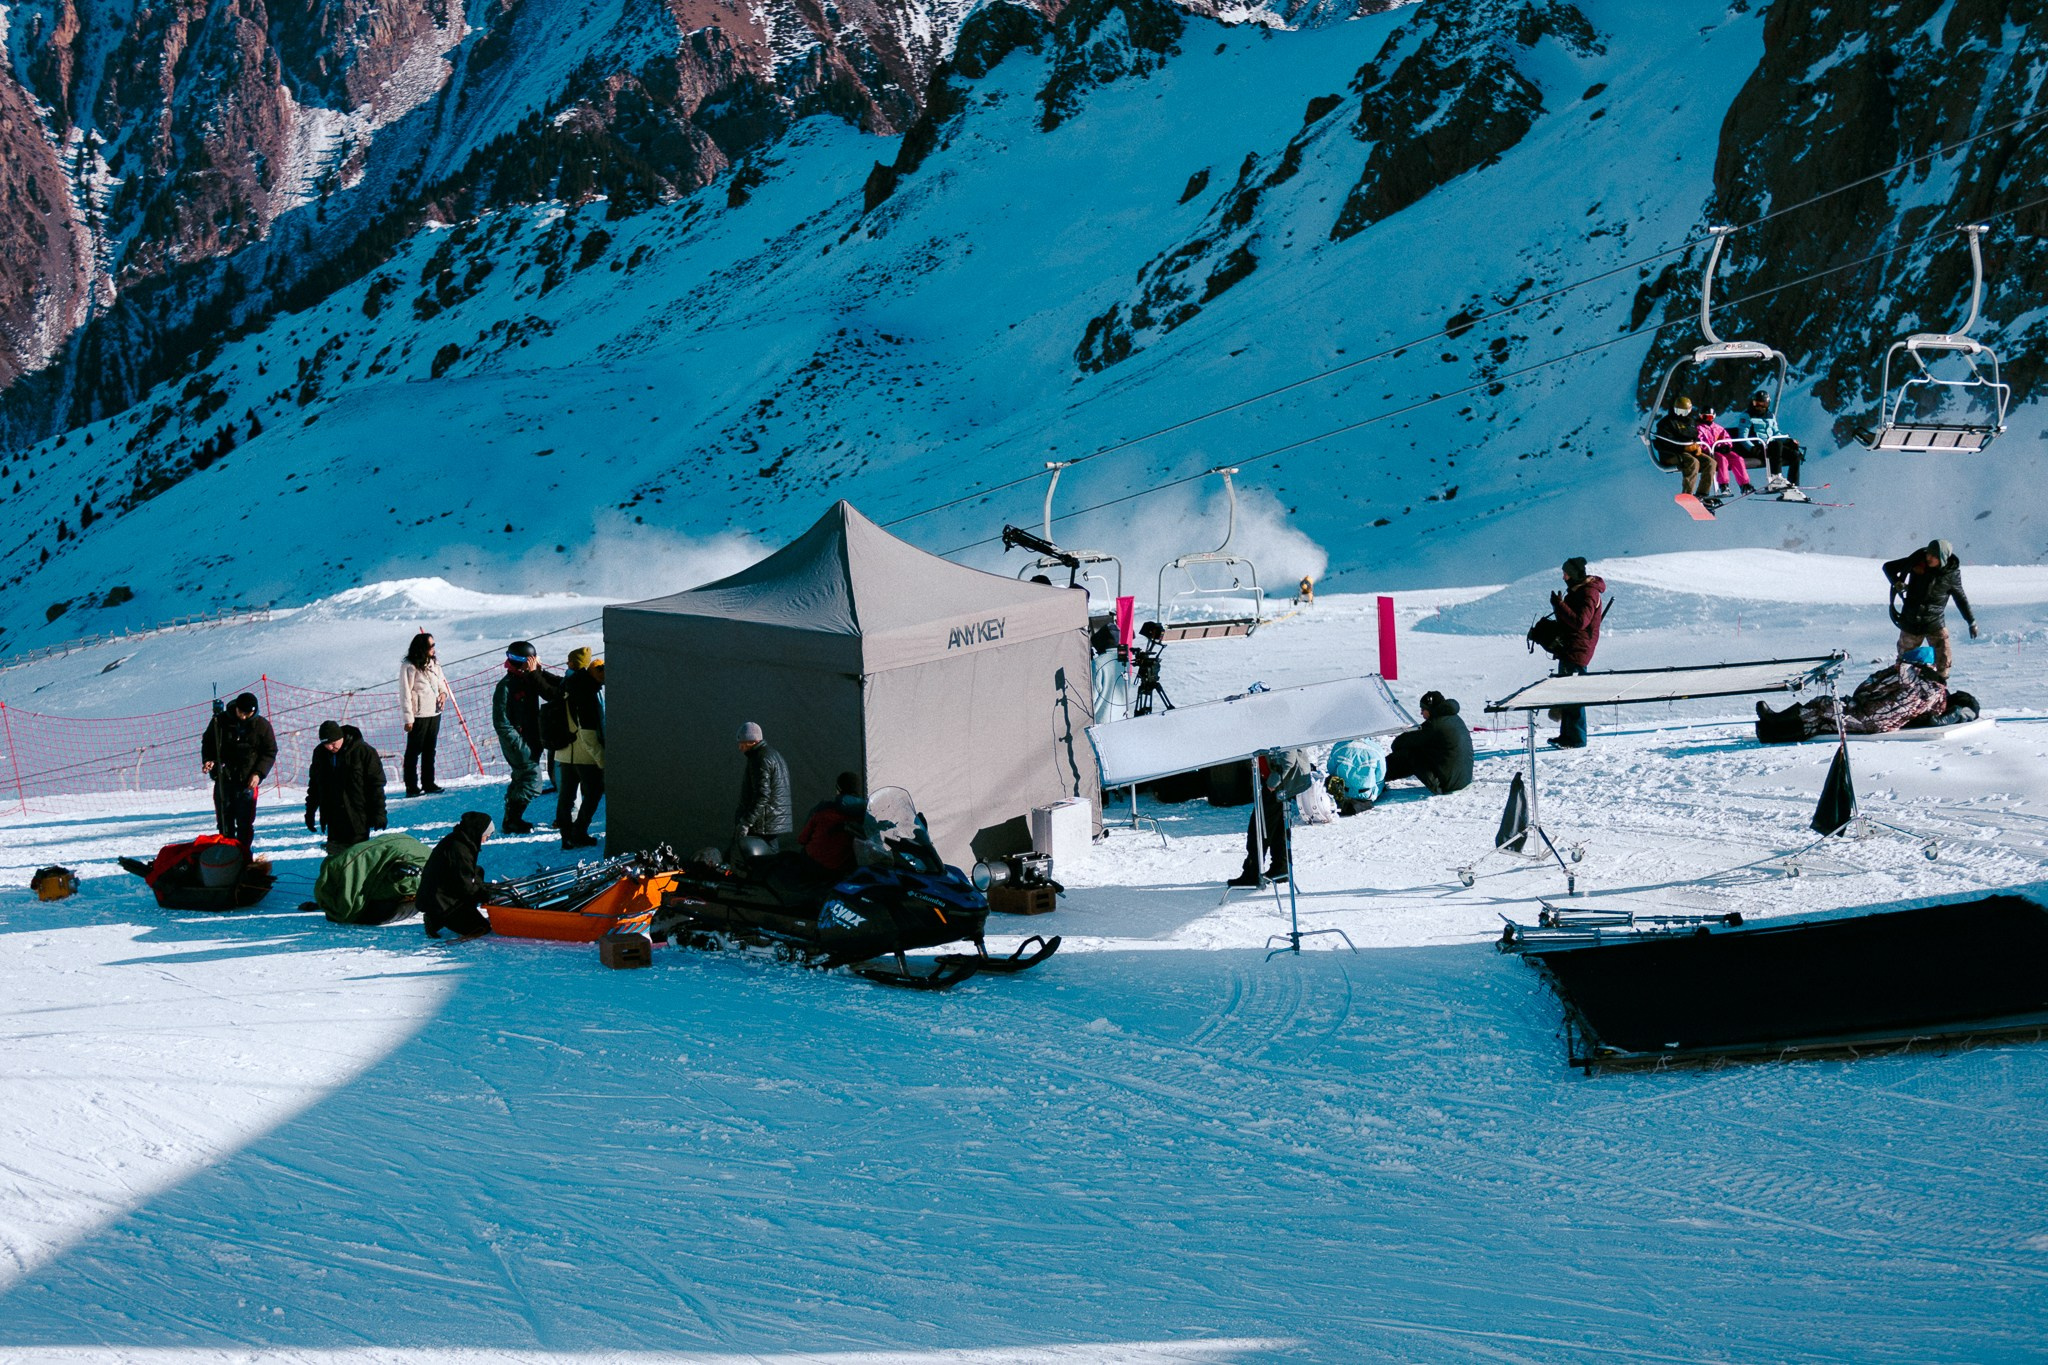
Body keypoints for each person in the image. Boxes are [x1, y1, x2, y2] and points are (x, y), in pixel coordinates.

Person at [1755, 647, 1950, 742]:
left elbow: (1866, 689)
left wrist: (1890, 671)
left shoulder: (1907, 678)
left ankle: (1774, 721)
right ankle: (1770, 731)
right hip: (1883, 722)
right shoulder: (1937, 688)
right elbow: (1936, 711)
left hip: (1868, 718)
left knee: (1822, 704)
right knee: (1823, 721)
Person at [492, 641, 562, 834]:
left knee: (522, 777)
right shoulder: (506, 686)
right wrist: (518, 744)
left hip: (532, 740)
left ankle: (511, 819)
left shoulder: (528, 679)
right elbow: (501, 722)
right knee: (533, 781)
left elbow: (552, 691)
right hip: (518, 743)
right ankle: (512, 819)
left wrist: (538, 671)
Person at [1883, 539, 1978, 680]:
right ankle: (1903, 692)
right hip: (1911, 621)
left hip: (1934, 622)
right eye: (1928, 554)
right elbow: (1888, 567)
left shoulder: (1951, 575)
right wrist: (1897, 582)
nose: (1929, 558)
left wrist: (1971, 621)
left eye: (1934, 556)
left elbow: (1961, 600)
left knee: (1943, 661)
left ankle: (1940, 691)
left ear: (1943, 557)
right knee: (1904, 664)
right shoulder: (1917, 561)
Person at [1539, 557, 1604, 748]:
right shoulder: (1579, 591)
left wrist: (1559, 605)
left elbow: (1580, 622)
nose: (1564, 577)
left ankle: (1576, 738)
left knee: (1575, 694)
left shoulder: (1589, 593)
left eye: (1566, 573)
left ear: (1574, 574)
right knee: (1567, 692)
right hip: (1571, 648)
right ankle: (1568, 736)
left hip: (1579, 650)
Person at [200, 692, 277, 847]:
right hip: (224, 778)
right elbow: (208, 743)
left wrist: (258, 773)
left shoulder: (262, 726)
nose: (244, 717)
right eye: (241, 712)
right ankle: (227, 856)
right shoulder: (220, 722)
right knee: (224, 822)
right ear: (236, 708)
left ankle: (243, 856)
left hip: (248, 781)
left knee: (245, 824)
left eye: (248, 714)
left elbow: (270, 751)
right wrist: (209, 760)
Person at [1228, 748, 1312, 888]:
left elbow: (1288, 759)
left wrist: (1272, 782)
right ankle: (1281, 868)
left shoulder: (1278, 727)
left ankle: (1252, 872)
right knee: (1278, 826)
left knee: (1259, 827)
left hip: (1278, 784)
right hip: (1279, 783)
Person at [304, 720, 389, 854]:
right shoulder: (320, 753)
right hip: (333, 816)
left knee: (356, 857)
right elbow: (315, 785)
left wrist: (379, 813)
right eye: (326, 744)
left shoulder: (364, 751)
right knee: (335, 857)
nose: (330, 747)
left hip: (357, 815)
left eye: (333, 743)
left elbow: (376, 785)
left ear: (341, 737)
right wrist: (310, 812)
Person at [553, 649, 606, 850]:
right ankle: (579, 831)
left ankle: (566, 837)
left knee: (566, 797)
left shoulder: (567, 684)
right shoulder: (587, 692)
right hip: (585, 755)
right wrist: (601, 759)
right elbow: (588, 733)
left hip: (564, 750)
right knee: (594, 791)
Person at [419, 812, 495, 939]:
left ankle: (441, 915)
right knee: (481, 928)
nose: (487, 838)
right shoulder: (459, 849)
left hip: (441, 894)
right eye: (487, 835)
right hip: (440, 900)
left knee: (478, 872)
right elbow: (464, 885)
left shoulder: (460, 840)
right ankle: (436, 917)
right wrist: (485, 895)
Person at [1384, 691, 1474, 794]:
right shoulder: (1455, 718)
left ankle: (1378, 774)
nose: (1421, 713)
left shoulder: (1434, 725)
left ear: (1430, 709)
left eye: (1423, 709)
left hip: (1447, 785)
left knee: (1410, 753)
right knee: (1419, 749)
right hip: (1463, 780)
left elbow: (1398, 743)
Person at [398, 632, 451, 797]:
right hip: (418, 715)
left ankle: (428, 783)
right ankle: (411, 787)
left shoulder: (435, 664)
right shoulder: (409, 666)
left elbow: (442, 684)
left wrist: (443, 695)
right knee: (413, 751)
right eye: (431, 645)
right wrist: (408, 717)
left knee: (430, 750)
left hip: (434, 712)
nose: (434, 648)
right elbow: (405, 692)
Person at [1727, 391, 1804, 495]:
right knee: (1777, 444)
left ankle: (1792, 487)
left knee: (1795, 455)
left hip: (1773, 447)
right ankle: (1776, 479)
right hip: (1759, 447)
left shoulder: (1770, 416)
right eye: (1757, 404)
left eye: (1763, 404)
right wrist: (1753, 449)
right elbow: (1743, 437)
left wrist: (1789, 441)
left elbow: (1776, 432)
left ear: (1767, 404)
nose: (1760, 407)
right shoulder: (1747, 416)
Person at [733, 722, 793, 852]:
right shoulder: (773, 755)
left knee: (759, 861)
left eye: (741, 743)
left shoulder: (760, 759)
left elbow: (762, 795)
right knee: (771, 857)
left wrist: (746, 822)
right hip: (771, 820)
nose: (740, 747)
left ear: (751, 741)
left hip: (763, 823)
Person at [799, 772, 867, 874]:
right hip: (841, 869)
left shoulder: (822, 809)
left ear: (838, 789)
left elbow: (802, 839)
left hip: (812, 864)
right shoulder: (866, 814)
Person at [1651, 396, 1714, 501]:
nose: (1680, 414)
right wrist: (1685, 447)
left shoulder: (1691, 422)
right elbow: (1666, 441)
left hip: (1688, 452)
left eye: (1683, 412)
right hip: (1672, 453)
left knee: (1711, 462)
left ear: (1689, 411)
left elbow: (1695, 436)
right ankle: (1687, 493)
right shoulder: (1666, 423)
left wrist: (1697, 446)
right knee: (1693, 462)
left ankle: (1703, 493)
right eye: (1678, 411)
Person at [1695, 404, 1752, 501]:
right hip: (1710, 452)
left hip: (1721, 450)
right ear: (1700, 416)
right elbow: (1699, 442)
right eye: (1704, 417)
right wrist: (1713, 448)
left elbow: (1726, 437)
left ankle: (1744, 484)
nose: (1707, 419)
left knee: (1738, 459)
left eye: (1710, 417)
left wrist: (1726, 445)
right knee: (1722, 460)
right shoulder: (1699, 428)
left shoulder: (1718, 428)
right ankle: (1724, 485)